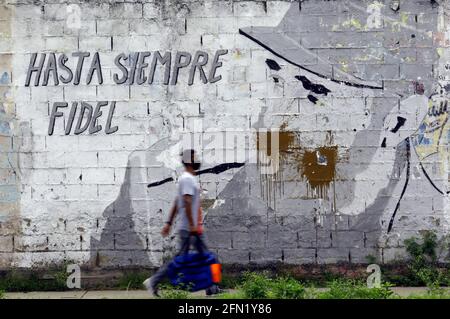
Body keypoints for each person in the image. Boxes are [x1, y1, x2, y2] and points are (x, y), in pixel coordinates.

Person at [143, 149, 219, 296]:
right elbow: (186, 201)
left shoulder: (187, 178)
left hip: (191, 228)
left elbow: (178, 202)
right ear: (189, 161)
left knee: (203, 258)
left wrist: (169, 223)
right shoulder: (187, 179)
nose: (197, 159)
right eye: (195, 157)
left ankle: (212, 288)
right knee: (203, 259)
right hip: (190, 229)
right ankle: (153, 281)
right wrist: (192, 226)